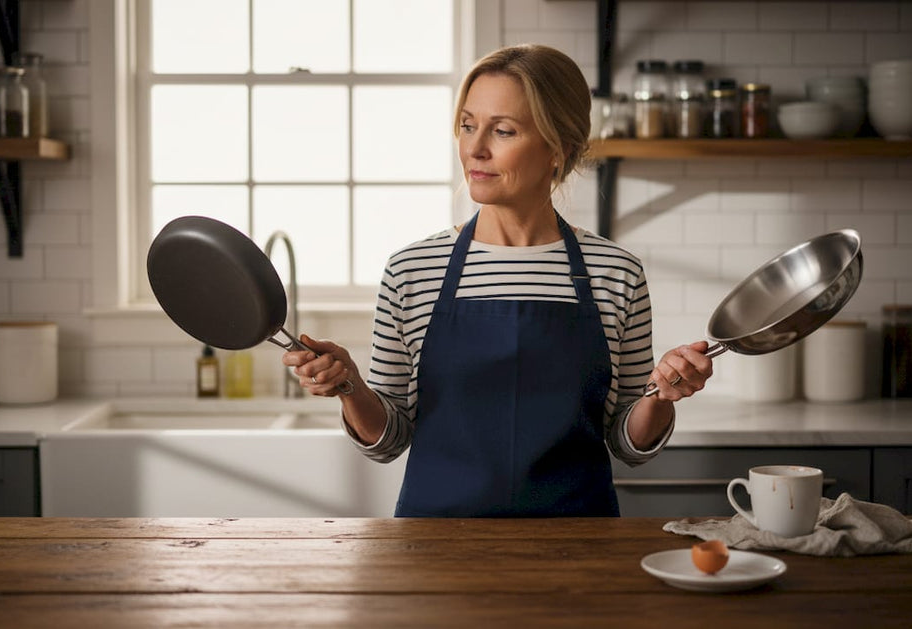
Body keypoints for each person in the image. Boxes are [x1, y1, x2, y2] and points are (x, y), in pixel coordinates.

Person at [283, 44, 713, 517]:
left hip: (578, 542)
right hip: (435, 543)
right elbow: (388, 441)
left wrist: (662, 396)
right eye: (468, 126)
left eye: (503, 130)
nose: (475, 148)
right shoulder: (412, 270)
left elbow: (628, 445)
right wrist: (350, 386)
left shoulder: (615, 272)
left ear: (559, 149)